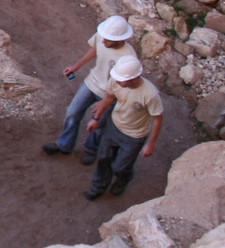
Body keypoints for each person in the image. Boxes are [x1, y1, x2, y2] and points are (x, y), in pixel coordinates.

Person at [43, 15, 136, 164]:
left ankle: (90, 149)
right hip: (91, 83)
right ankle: (64, 144)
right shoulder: (103, 36)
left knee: (98, 124)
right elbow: (95, 49)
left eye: (108, 40)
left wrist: (106, 101)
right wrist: (76, 66)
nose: (103, 41)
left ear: (120, 40)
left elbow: (125, 84)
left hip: (108, 94)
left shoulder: (128, 57)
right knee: (72, 113)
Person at [82, 56, 164, 201]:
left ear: (134, 78)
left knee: (120, 166)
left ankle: (124, 177)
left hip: (134, 136)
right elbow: (108, 98)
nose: (118, 81)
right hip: (114, 125)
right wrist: (96, 119)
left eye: (122, 79)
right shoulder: (116, 81)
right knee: (104, 157)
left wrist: (150, 144)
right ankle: (99, 186)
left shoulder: (150, 95)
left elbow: (157, 119)